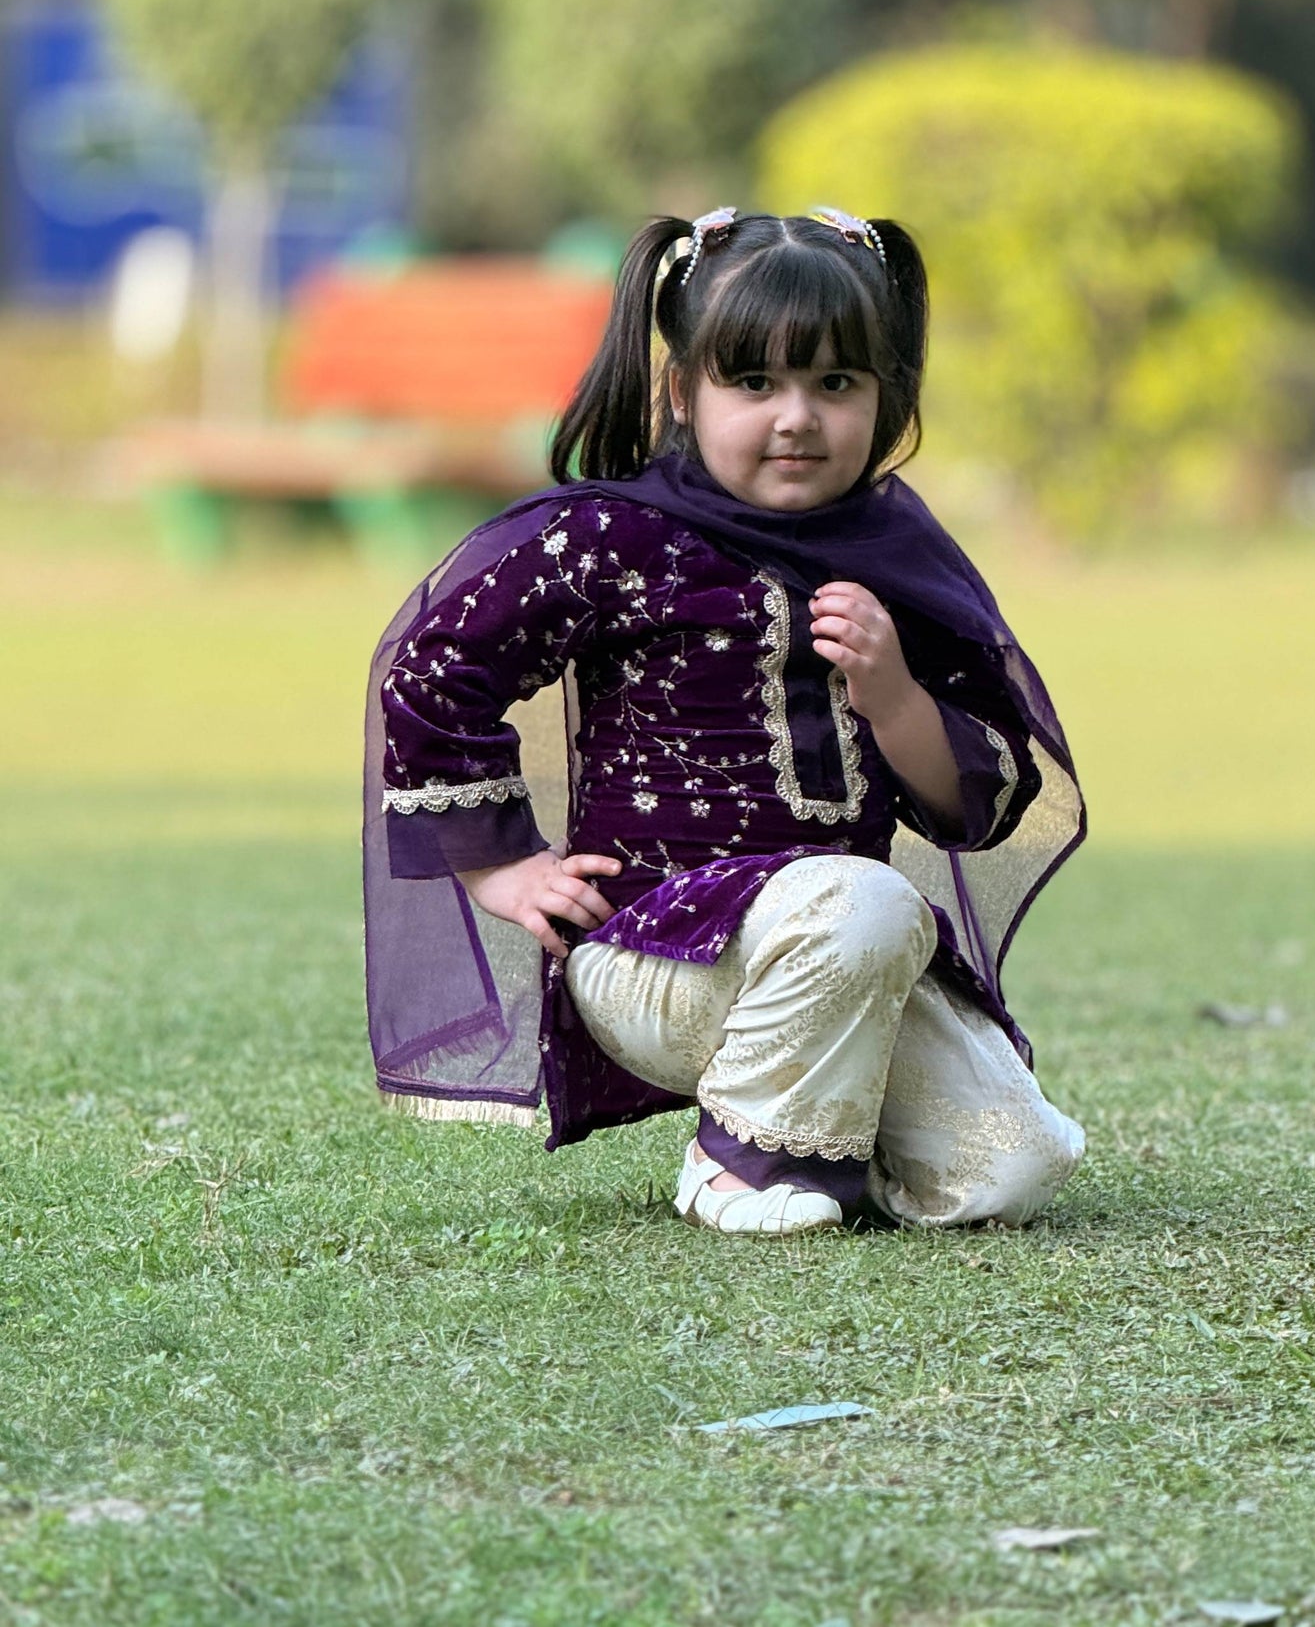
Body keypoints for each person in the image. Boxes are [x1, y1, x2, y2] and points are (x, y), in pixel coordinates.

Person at [364, 207, 1086, 1236]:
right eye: (754, 384)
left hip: (842, 954)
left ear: (885, 398)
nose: (796, 417)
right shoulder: (615, 535)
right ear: (679, 393)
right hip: (652, 954)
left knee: (1014, 1164)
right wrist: (499, 866)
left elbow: (979, 803)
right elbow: (436, 666)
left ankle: (820, 1137)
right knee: (870, 902)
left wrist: (895, 699)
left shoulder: (897, 552)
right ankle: (738, 1166)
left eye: (834, 384)